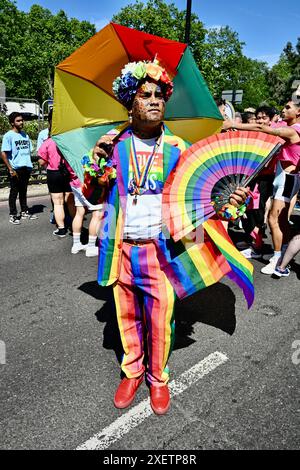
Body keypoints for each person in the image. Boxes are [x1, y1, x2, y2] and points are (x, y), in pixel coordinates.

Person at [90, 60, 250, 415]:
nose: (154, 100)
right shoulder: (113, 144)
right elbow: (92, 193)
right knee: (126, 316)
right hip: (121, 248)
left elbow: (205, 201)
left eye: (159, 95)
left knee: (161, 319)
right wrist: (97, 162)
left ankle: (157, 378)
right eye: (145, 94)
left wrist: (229, 203)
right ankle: (131, 372)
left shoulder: (180, 148)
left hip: (162, 251)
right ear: (130, 101)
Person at [224, 99, 300, 274]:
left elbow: (261, 128)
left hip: (287, 179)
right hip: (284, 178)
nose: (283, 109)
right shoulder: (290, 128)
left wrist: (232, 124)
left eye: (288, 107)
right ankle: (284, 253)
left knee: (273, 219)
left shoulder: (293, 130)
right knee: (280, 220)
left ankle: (277, 259)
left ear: (298, 112)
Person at [38, 125, 76, 237]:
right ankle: (75, 228)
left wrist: (49, 163)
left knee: (57, 203)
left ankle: (61, 229)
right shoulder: (69, 141)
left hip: (53, 173)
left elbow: (41, 161)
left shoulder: (48, 142)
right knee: (71, 201)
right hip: (68, 173)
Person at [1, 112, 38, 224]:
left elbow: (29, 151)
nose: (21, 122)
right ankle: (13, 215)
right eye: (18, 120)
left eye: (22, 120)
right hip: (15, 168)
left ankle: (24, 211)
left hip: (26, 167)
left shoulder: (25, 135)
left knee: (23, 191)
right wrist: (10, 169)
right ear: (12, 122)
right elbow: (3, 153)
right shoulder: (9, 135)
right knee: (14, 192)